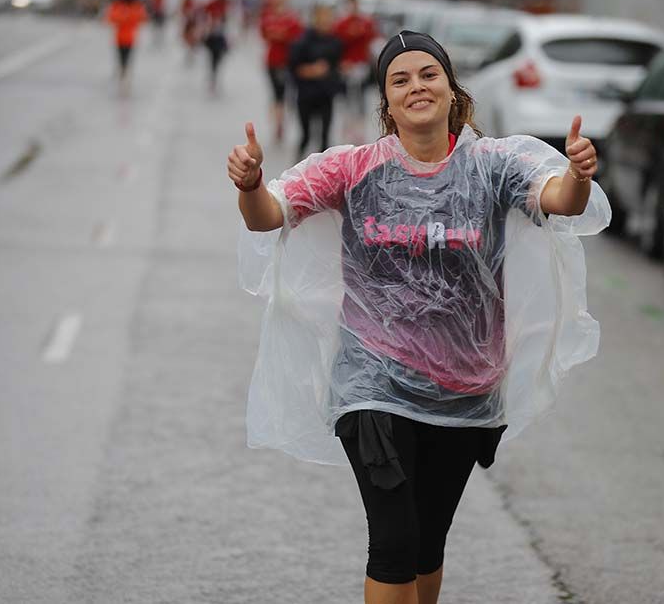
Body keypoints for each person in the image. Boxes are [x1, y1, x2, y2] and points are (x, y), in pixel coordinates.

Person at [227, 30, 611, 604]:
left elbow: (559, 201)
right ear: (387, 103)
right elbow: (269, 216)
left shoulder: (496, 166)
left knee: (429, 542)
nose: (416, 87)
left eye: (428, 74)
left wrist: (578, 175)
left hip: (465, 388)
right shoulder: (353, 168)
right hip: (372, 383)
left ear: (452, 90)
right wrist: (252, 183)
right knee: (395, 539)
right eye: (400, 80)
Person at [288, 5, 343, 156]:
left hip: (326, 94)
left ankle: (325, 173)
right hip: (307, 94)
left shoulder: (335, 41)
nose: (326, 22)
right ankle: (298, 168)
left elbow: (338, 65)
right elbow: (293, 68)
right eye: (323, 19)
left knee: (325, 137)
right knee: (306, 135)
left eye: (329, 19)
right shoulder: (303, 41)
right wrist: (312, 70)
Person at [259, 0, 303, 142]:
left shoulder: (292, 20)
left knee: (289, 94)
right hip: (273, 62)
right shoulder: (268, 19)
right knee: (277, 94)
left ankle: (283, 119)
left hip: (288, 62)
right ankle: (278, 123)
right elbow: (265, 35)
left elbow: (297, 37)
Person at [334, 0, 378, 121]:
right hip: (347, 65)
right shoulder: (341, 24)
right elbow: (337, 45)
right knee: (347, 97)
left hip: (361, 64)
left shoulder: (366, 22)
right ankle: (348, 123)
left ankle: (359, 124)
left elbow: (372, 42)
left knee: (361, 96)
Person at [105, 0, 147, 94]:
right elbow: (141, 18)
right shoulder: (131, 6)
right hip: (126, 37)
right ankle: (124, 74)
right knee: (124, 57)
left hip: (125, 37)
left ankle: (123, 74)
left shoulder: (124, 5)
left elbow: (111, 18)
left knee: (124, 57)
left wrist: (124, 18)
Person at [202, 0, 230, 95]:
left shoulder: (225, 4)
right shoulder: (211, 4)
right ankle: (213, 79)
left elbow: (229, 19)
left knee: (219, 57)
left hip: (221, 36)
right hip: (212, 36)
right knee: (213, 58)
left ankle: (215, 76)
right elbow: (203, 16)